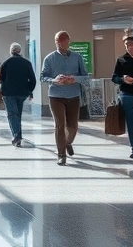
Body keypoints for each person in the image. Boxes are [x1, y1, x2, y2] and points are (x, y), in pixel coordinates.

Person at [40, 31, 88, 165]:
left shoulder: (77, 57)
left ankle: (68, 142)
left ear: (68, 41)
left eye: (65, 41)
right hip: (56, 96)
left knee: (73, 125)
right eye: (59, 41)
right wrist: (54, 80)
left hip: (73, 95)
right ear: (56, 42)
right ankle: (61, 155)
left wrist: (74, 79)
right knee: (59, 125)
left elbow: (85, 76)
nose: (62, 44)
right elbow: (43, 77)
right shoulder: (49, 58)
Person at [0, 43, 37, 147]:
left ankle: (16, 135)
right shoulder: (26, 63)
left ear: (11, 51)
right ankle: (18, 136)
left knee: (12, 114)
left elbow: (0, 78)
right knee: (18, 114)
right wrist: (29, 90)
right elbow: (33, 79)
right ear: (20, 51)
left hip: (8, 92)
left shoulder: (6, 63)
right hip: (22, 92)